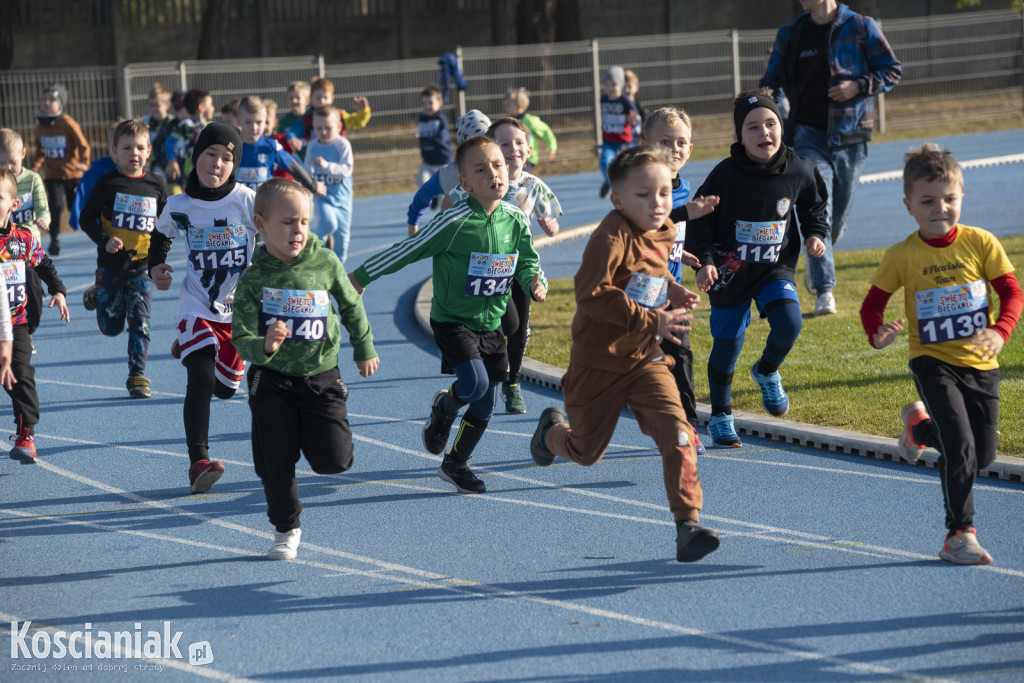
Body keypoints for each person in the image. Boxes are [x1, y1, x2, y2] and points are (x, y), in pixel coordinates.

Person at [529, 145, 718, 563]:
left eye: (665, 193)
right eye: (644, 194)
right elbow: (591, 295)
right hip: (598, 361)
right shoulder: (609, 238)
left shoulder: (666, 229)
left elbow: (654, 267)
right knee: (586, 451)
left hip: (645, 359)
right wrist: (653, 320)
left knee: (680, 433)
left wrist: (674, 289)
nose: (658, 203)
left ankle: (687, 524)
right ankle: (548, 434)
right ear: (617, 200)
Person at [350, 135, 547, 495]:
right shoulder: (453, 222)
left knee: (485, 404)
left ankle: (455, 464)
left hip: (490, 324)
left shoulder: (516, 219)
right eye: (481, 169)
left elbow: (528, 259)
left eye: (498, 165)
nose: (494, 174)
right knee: (475, 386)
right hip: (453, 320)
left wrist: (536, 282)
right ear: (465, 184)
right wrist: (362, 276)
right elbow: (408, 249)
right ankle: (444, 406)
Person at [860, 144, 1021, 565]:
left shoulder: (981, 243)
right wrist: (877, 334)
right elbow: (871, 306)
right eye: (928, 201)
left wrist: (1000, 331)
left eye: (949, 199)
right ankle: (959, 534)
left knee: (982, 455)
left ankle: (918, 427)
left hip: (981, 363)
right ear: (908, 205)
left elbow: (1011, 292)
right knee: (962, 447)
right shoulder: (903, 255)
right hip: (932, 362)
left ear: (962, 197)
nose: (940, 209)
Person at [232, 178, 378, 560]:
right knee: (275, 463)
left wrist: (363, 346)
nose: (298, 230)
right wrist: (262, 344)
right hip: (272, 381)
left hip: (321, 377)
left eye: (304, 222)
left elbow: (350, 305)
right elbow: (239, 335)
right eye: (288, 222)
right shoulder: (252, 280)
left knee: (335, 461)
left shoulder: (326, 262)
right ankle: (286, 529)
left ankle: (298, 436)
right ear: (261, 225)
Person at [687, 92, 828, 448]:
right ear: (740, 136)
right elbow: (700, 222)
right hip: (729, 269)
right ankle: (720, 415)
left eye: (771, 124)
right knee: (727, 345)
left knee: (791, 322)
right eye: (753, 127)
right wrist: (704, 261)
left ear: (781, 127)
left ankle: (766, 371)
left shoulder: (799, 168)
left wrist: (814, 233)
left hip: (773, 268)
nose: (763, 132)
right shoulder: (724, 175)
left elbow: (814, 201)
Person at [760, 0, 901, 317]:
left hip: (850, 137)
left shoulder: (862, 26)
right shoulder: (790, 33)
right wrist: (774, 114)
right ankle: (825, 290)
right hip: (807, 137)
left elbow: (892, 70)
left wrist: (858, 86)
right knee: (817, 209)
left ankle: (817, 254)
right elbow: (770, 83)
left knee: (833, 225)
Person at [150, 122, 258, 495]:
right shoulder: (180, 205)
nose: (217, 163)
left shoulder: (247, 200)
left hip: (237, 313)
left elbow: (277, 229)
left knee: (226, 390)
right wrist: (156, 266)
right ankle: (198, 462)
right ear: (196, 157)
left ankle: (191, 346)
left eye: (227, 158)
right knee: (200, 378)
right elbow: (161, 235)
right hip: (195, 304)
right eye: (210, 153)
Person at [447, 117, 561, 414]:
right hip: (485, 268)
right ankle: (476, 374)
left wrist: (549, 226)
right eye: (505, 144)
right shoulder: (479, 180)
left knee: (519, 328)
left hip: (519, 267)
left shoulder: (534, 185)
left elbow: (552, 220)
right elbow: (452, 205)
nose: (513, 149)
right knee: (498, 323)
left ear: (529, 148)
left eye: (519, 143)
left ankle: (512, 384)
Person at [641, 107, 720, 454]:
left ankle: (686, 426)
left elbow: (668, 234)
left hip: (671, 291)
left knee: (681, 357)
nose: (674, 148)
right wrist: (687, 213)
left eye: (681, 143)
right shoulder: (640, 183)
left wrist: (681, 253)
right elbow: (646, 223)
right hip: (637, 293)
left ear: (690, 150)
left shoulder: (685, 187)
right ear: (645, 145)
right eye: (665, 141)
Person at [78, 119, 168, 398]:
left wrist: (158, 261)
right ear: (114, 151)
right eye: (127, 147)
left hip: (141, 269)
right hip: (111, 268)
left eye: (140, 147)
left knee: (140, 321)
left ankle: (137, 376)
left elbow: (165, 226)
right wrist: (105, 241)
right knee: (110, 328)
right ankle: (99, 295)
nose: (134, 153)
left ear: (149, 150)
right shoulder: (107, 183)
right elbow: (85, 219)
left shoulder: (156, 184)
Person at [0, 167, 70, 461]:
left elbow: (44, 265)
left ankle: (26, 434)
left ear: (14, 204)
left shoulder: (23, 239)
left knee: (21, 376)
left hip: (16, 323)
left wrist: (59, 290)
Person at [405, 110, 491, 236]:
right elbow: (420, 198)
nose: (486, 150)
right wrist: (413, 227)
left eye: (490, 141)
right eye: (478, 144)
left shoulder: (501, 167)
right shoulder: (450, 174)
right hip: (462, 239)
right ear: (465, 146)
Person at [0, 129, 50, 337]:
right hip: (4, 249)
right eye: (3, 164)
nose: (9, 168)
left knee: (32, 290)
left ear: (23, 154)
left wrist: (43, 220)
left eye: (12, 163)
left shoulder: (32, 179)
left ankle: (26, 330)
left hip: (25, 248)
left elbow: (42, 206)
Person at [31, 83, 90, 256]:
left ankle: (96, 233)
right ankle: (54, 239)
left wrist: (84, 163)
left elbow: (83, 145)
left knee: (74, 206)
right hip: (52, 175)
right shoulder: (40, 127)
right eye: (44, 100)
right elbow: (40, 151)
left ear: (60, 103)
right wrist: (34, 168)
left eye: (51, 99)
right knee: (55, 206)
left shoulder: (68, 123)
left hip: (72, 174)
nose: (47, 103)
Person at [303, 105, 354, 263]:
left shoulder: (342, 145)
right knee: (328, 223)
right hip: (323, 197)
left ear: (339, 127)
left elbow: (346, 169)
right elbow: (307, 170)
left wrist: (326, 166)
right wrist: (311, 185)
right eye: (319, 128)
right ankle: (311, 252)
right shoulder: (312, 146)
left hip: (343, 200)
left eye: (328, 128)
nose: (323, 132)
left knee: (342, 237)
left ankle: (339, 270)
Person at [235, 96, 316, 193]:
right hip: (238, 204)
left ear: (265, 122)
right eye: (248, 122)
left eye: (259, 122)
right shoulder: (232, 146)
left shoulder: (272, 146)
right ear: (239, 121)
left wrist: (313, 186)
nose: (254, 127)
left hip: (263, 204)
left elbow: (294, 167)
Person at [285, 78, 371, 155]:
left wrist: (363, 111)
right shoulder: (306, 119)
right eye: (318, 98)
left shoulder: (339, 115)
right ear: (311, 99)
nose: (322, 101)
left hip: (336, 157)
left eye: (325, 97)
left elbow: (357, 122)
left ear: (332, 99)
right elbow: (293, 131)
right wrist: (292, 137)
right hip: (315, 159)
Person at [597, 65, 637, 199]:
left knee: (626, 166)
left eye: (613, 84)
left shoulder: (625, 101)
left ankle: (628, 188)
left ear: (620, 85)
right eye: (607, 85)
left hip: (624, 142)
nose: (610, 88)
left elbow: (634, 117)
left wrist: (633, 121)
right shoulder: (602, 100)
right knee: (604, 162)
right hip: (608, 141)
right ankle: (609, 181)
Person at [163, 89, 214, 188]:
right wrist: (172, 160)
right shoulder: (186, 125)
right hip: (190, 172)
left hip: (207, 170)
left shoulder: (212, 126)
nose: (213, 108)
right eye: (211, 105)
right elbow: (169, 142)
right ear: (201, 108)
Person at [503, 87, 557, 172]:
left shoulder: (530, 121)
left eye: (508, 105)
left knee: (518, 177)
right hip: (515, 157)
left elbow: (546, 131)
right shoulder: (510, 122)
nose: (505, 108)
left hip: (528, 159)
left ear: (519, 106)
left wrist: (551, 148)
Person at [416, 84, 452, 208]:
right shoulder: (422, 119)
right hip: (427, 162)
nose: (427, 106)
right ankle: (433, 196)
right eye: (424, 103)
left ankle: (443, 216)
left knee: (443, 189)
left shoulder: (441, 120)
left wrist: (425, 138)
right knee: (422, 181)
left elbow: (442, 139)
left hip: (441, 162)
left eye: (430, 103)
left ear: (440, 103)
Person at [144, 83, 173, 177]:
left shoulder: (172, 124)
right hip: (150, 165)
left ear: (167, 105)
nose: (153, 109)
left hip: (169, 165)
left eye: (157, 105)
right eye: (151, 105)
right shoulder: (145, 122)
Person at [623, 69, 648, 142]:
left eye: (629, 87)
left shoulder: (638, 106)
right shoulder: (619, 106)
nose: (627, 90)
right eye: (624, 87)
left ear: (636, 88)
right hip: (623, 139)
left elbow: (646, 119)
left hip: (637, 139)